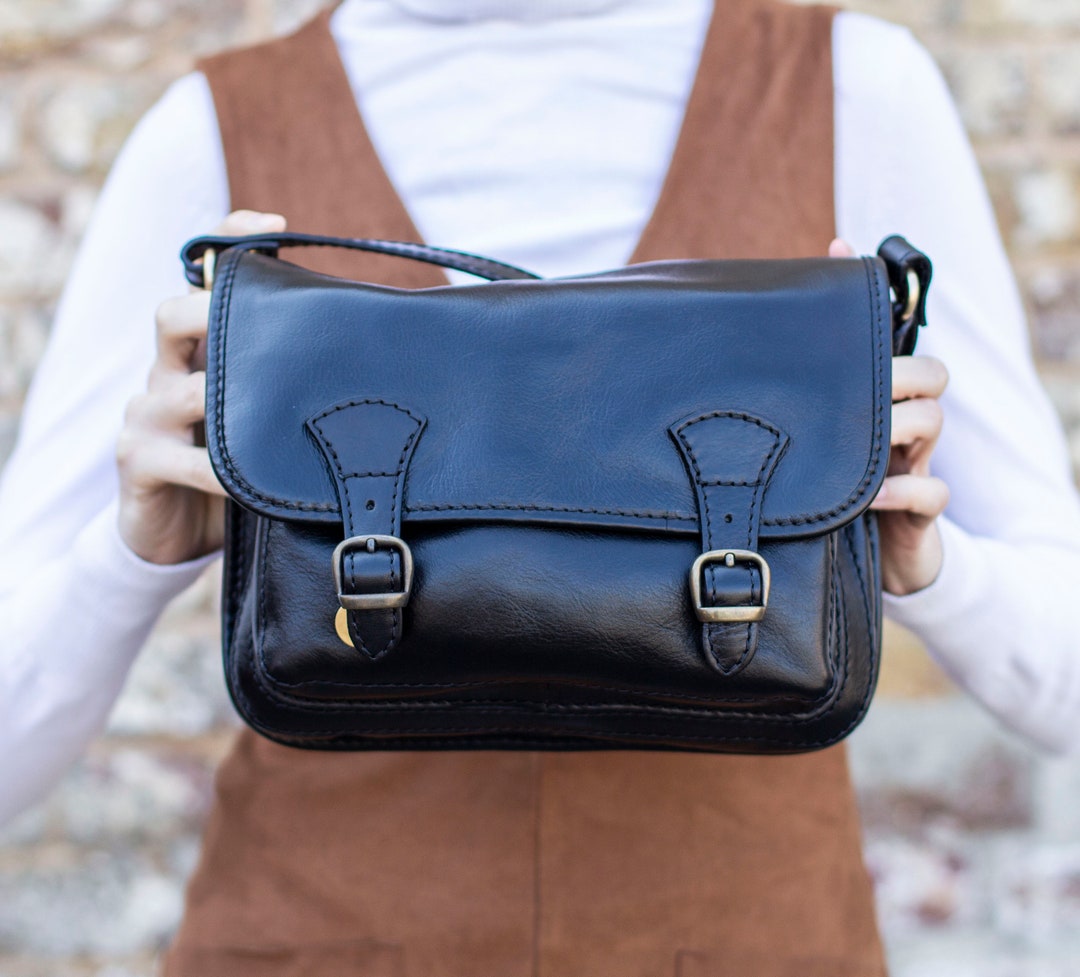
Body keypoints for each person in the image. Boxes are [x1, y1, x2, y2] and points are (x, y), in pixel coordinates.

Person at [2, 0, 1079, 972]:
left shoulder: (856, 87)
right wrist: (129, 552)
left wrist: (923, 560)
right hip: (313, 935)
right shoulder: (210, 125)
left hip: (757, 939)